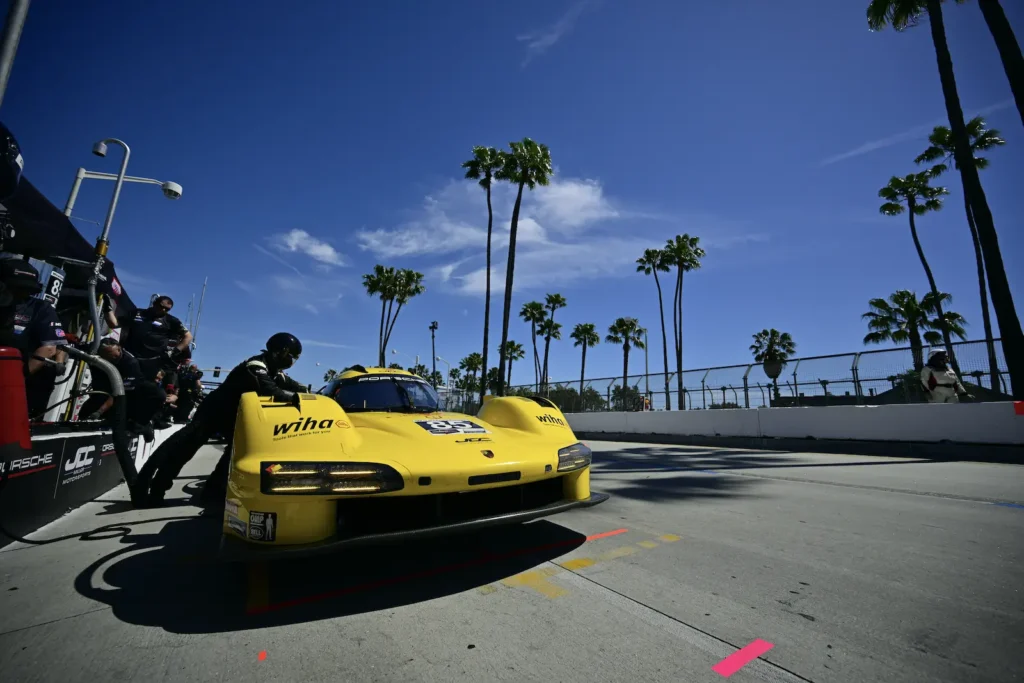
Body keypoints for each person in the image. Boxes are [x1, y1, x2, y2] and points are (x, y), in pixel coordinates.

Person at [137, 332, 305, 507]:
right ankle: (156, 491)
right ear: (280, 352)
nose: (291, 362)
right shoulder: (256, 366)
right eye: (291, 357)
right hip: (212, 412)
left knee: (233, 455)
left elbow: (296, 386)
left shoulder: (274, 372)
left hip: (231, 416)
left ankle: (213, 492)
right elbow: (270, 390)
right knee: (182, 451)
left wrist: (308, 394)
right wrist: (296, 398)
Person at [0, 258, 68, 417]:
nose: (20, 294)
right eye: (16, 289)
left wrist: (16, 379)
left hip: (22, 379)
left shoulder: (40, 308)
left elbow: (49, 347)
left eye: (25, 290)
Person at [78, 338, 167, 440]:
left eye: (112, 354)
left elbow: (118, 393)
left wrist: (100, 411)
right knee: (85, 414)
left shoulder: (130, 363)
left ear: (119, 349)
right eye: (106, 355)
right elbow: (75, 347)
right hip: (103, 390)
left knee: (157, 394)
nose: (111, 357)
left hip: (128, 395)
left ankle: (140, 425)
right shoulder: (94, 350)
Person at [114, 294, 192, 374]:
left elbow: (188, 336)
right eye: (161, 306)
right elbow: (114, 324)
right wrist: (108, 309)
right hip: (129, 355)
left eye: (167, 309)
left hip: (152, 361)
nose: (163, 310)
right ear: (155, 303)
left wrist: (175, 351)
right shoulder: (136, 313)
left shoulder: (172, 320)